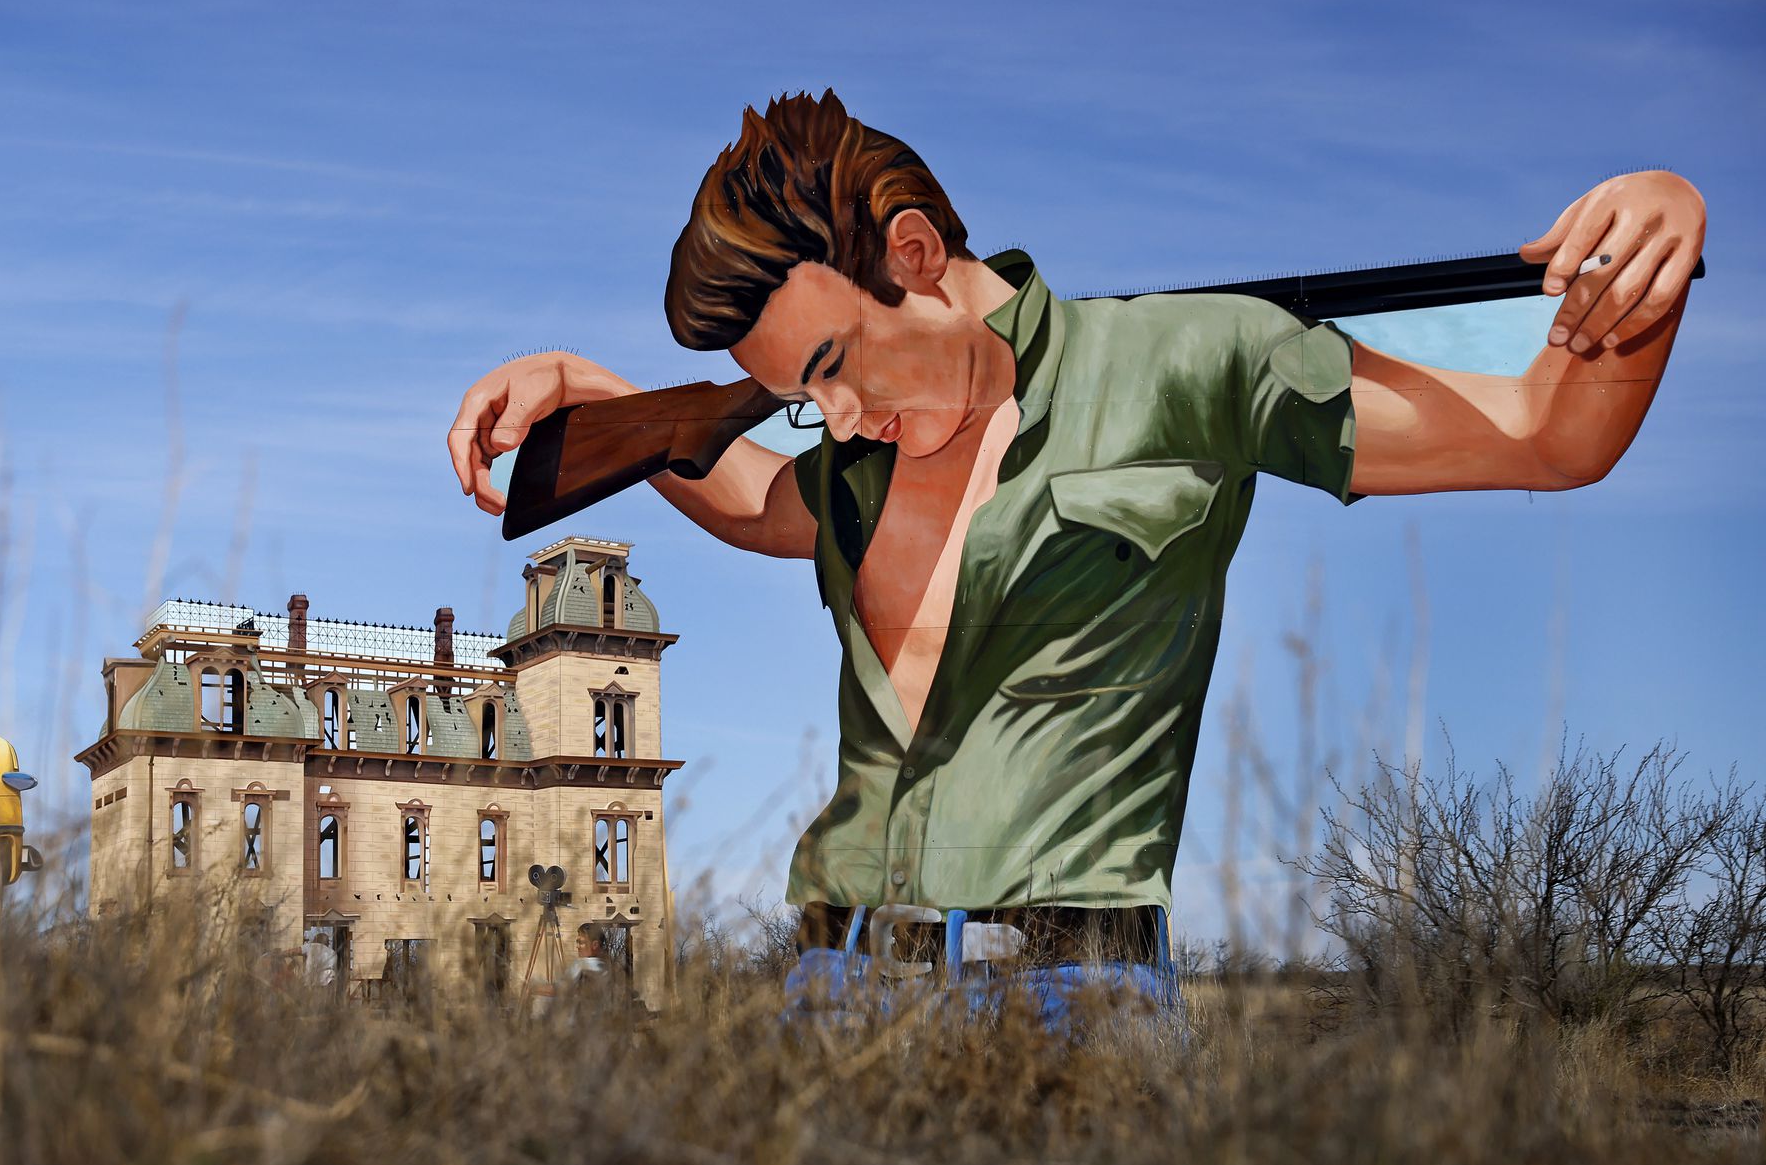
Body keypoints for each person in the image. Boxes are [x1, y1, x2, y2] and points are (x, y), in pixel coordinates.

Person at [445, 91, 1705, 978]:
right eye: (798, 397)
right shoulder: (848, 467)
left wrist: (1653, 219)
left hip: (1067, 985)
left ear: (916, 253)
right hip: (828, 975)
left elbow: (1547, 436)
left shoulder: (1191, 359)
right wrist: (586, 390)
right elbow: (750, 500)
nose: (832, 415)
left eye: (832, 364)